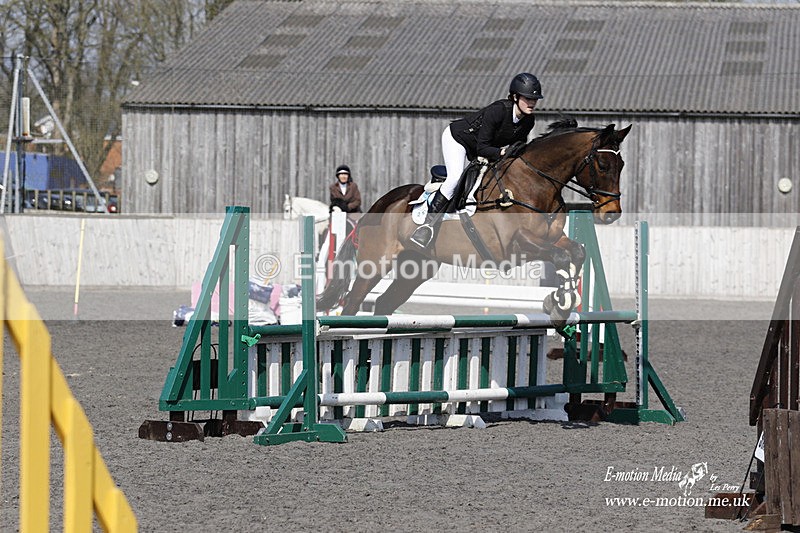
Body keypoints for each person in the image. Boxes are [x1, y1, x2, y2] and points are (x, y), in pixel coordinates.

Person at [410, 72, 544, 247]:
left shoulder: (528, 121)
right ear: (515, 97)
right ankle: (427, 227)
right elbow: (482, 148)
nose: (532, 103)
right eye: (527, 98)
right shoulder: (498, 111)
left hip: (486, 148)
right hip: (458, 139)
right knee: (455, 178)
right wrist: (503, 153)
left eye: (535, 99)